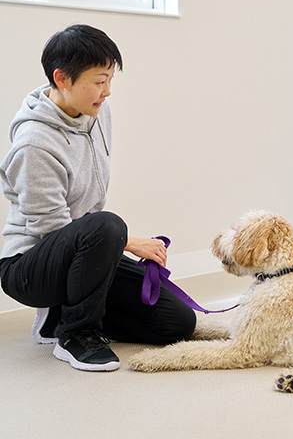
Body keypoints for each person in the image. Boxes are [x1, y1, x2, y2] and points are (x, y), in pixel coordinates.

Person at [0, 25, 196, 371]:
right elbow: (54, 229)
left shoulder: (95, 111)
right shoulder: (34, 143)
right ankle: (76, 334)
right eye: (99, 81)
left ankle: (61, 316)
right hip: (29, 267)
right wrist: (129, 242)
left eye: (110, 80)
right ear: (62, 79)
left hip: (85, 251)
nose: (107, 92)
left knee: (176, 323)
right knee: (108, 224)